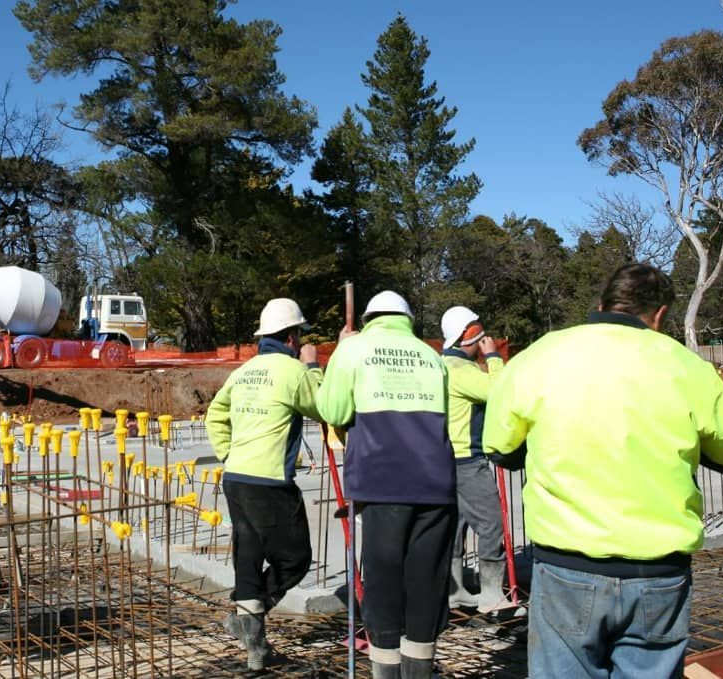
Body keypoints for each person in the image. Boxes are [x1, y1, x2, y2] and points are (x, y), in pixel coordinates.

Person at [484, 263, 723, 679]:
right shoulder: (685, 366)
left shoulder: (541, 355)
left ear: (601, 303)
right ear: (661, 314)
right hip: (658, 571)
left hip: (567, 567)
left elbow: (500, 446)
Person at [317, 290, 455, 679]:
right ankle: (419, 670)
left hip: (382, 482)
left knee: (383, 581)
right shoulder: (431, 355)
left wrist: (339, 356)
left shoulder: (354, 349)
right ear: (408, 319)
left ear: (369, 318)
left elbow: (333, 410)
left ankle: (386, 672)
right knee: (426, 581)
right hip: (436, 483)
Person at [206, 298, 324, 671]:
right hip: (270, 480)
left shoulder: (244, 372)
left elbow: (215, 415)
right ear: (292, 336)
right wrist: (313, 366)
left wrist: (229, 453)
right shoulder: (293, 372)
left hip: (237, 478)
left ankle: (255, 647)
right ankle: (245, 622)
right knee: (295, 559)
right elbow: (324, 407)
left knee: (249, 557)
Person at [439, 305, 509, 613]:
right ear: (468, 337)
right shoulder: (462, 371)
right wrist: (493, 357)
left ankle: (455, 591)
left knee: (455, 524)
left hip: (444, 458)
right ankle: (492, 594)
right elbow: (501, 390)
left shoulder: (440, 366)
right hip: (467, 459)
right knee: (491, 524)